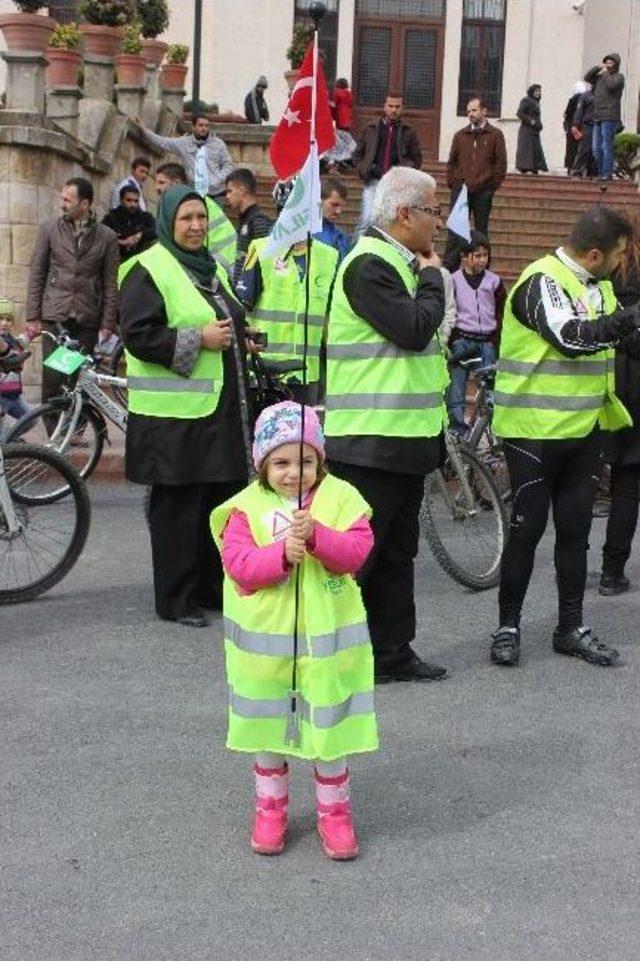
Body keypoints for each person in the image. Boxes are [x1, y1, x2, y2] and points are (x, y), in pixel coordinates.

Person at [210, 402, 378, 860]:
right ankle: (270, 809)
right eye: (281, 462)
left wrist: (319, 536)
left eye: (306, 461)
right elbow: (240, 566)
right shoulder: (244, 509)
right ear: (262, 463)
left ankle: (335, 815)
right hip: (265, 657)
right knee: (268, 733)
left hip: (327, 654)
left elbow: (357, 551)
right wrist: (282, 554)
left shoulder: (341, 498)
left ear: (320, 460)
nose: (294, 473)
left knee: (329, 734)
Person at [490, 206, 640, 668]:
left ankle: (570, 628)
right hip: (531, 433)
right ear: (595, 254)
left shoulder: (599, 288)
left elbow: (625, 339)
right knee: (528, 530)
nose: (622, 264)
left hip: (581, 431)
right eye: (618, 256)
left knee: (575, 534)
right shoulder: (541, 281)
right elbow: (572, 337)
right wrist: (629, 319)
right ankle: (508, 627)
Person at [324, 166, 448, 684]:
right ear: (405, 214)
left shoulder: (396, 261)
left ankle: (391, 652)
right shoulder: (370, 264)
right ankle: (330, 657)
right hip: (371, 440)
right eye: (433, 212)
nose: (437, 224)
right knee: (358, 558)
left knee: (397, 553)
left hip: (403, 437)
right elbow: (415, 329)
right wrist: (434, 276)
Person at [119, 185, 251, 627]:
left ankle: (211, 588)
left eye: (201, 218)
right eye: (186, 220)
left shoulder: (210, 268)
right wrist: (201, 339)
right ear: (169, 224)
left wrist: (240, 335)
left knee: (217, 502)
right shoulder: (148, 268)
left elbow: (229, 316)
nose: (196, 227)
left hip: (215, 413)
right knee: (178, 510)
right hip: (172, 419)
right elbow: (138, 335)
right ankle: (176, 600)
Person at [237, 182, 339, 402]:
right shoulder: (261, 249)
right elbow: (241, 305)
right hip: (265, 372)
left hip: (306, 375)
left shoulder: (329, 257)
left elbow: (332, 318)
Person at [25, 176, 119, 403]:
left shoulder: (107, 237)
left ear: (85, 204)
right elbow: (37, 273)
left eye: (68, 200)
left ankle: (75, 430)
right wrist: (32, 316)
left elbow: (110, 283)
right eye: (62, 199)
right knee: (53, 377)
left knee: (77, 377)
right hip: (55, 314)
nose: (62, 204)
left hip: (87, 316)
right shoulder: (49, 229)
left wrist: (107, 322)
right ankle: (54, 433)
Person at [599, 222, 640, 595]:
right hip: (636, 388)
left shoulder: (604, 281)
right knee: (629, 484)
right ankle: (612, 571)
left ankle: (601, 569)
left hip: (606, 385)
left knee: (613, 480)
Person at [444, 231, 506, 435]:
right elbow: (449, 310)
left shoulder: (494, 282)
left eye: (485, 255)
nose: (482, 260)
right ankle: (458, 432)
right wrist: (452, 341)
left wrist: (496, 340)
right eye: (477, 255)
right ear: (464, 256)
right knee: (456, 390)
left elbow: (500, 311)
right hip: (463, 342)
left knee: (491, 390)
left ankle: (491, 431)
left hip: (486, 343)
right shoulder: (453, 280)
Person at [444, 97, 507, 271]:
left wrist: (491, 186)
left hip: (483, 191)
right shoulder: (460, 135)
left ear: (484, 111)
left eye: (474, 110)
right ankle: (450, 269)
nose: (470, 114)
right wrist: (453, 183)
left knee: (481, 230)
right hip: (461, 190)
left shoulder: (495, 135)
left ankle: (483, 268)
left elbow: (500, 164)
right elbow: (451, 162)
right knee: (456, 230)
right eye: (469, 111)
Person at [352, 92, 422, 238]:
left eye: (397, 106)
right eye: (390, 106)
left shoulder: (409, 132)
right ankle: (355, 257)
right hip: (373, 181)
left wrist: (404, 172)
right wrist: (365, 169)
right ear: (384, 107)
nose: (394, 110)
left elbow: (417, 160)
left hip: (396, 186)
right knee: (366, 220)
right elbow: (357, 155)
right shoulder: (370, 128)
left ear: (402, 108)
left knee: (392, 224)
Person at [154, 160, 237, 277]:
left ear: (176, 183)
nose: (157, 187)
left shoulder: (193, 205)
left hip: (219, 265)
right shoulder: (198, 201)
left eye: (162, 182)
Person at [140, 113, 234, 198]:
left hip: (216, 192)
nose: (204, 128)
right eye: (200, 125)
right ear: (193, 126)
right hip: (195, 192)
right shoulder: (184, 143)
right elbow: (163, 142)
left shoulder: (218, 144)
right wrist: (144, 130)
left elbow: (228, 164)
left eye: (206, 125)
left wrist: (218, 179)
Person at [224, 168, 273, 285]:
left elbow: (266, 264)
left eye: (230, 191)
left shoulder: (259, 223)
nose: (227, 196)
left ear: (242, 190)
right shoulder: (245, 221)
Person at [584, 54, 625, 182]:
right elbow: (587, 77)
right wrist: (597, 67)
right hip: (597, 116)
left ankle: (607, 174)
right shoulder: (600, 77)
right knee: (596, 148)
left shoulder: (618, 77)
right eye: (606, 62)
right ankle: (602, 174)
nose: (607, 64)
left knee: (606, 146)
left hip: (610, 116)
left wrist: (606, 72)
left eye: (610, 62)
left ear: (616, 64)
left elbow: (611, 86)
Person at [102, 184, 156, 261]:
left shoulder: (145, 217)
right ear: (121, 200)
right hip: (115, 261)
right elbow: (101, 237)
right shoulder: (111, 217)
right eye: (129, 200)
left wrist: (140, 235)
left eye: (136, 201)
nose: (133, 204)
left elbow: (156, 230)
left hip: (138, 262)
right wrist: (123, 242)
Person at [0, 299, 33, 422]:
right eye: (0, 319)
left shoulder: (10, 338)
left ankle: (9, 440)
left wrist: (30, 334)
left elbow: (20, 342)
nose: (4, 323)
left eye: (8, 319)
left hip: (13, 394)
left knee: (31, 419)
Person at [313, 177, 350, 262]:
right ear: (318, 201)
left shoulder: (341, 237)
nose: (339, 211)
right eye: (334, 205)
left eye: (342, 206)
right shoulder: (299, 233)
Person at [326, 78, 356, 173]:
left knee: (337, 142)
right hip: (348, 121)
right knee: (345, 141)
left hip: (340, 120)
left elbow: (333, 105)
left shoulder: (337, 93)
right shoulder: (349, 94)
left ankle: (335, 163)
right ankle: (342, 161)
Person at [516, 84, 548, 174]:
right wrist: (531, 121)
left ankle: (534, 168)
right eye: (536, 91)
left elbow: (536, 116)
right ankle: (524, 168)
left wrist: (539, 125)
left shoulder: (536, 102)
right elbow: (520, 113)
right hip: (526, 130)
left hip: (535, 131)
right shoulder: (526, 100)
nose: (538, 93)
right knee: (526, 149)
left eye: (539, 91)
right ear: (532, 91)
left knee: (535, 150)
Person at [570, 83, 598, 179]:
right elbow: (579, 111)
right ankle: (577, 172)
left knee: (596, 151)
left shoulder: (603, 96)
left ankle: (593, 173)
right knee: (584, 150)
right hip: (587, 126)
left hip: (598, 126)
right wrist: (575, 125)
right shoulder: (585, 96)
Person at [563, 81, 589, 174]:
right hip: (583, 127)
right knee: (582, 148)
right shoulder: (587, 98)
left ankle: (570, 167)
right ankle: (581, 168)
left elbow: (567, 114)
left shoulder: (573, 99)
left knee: (571, 148)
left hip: (572, 127)